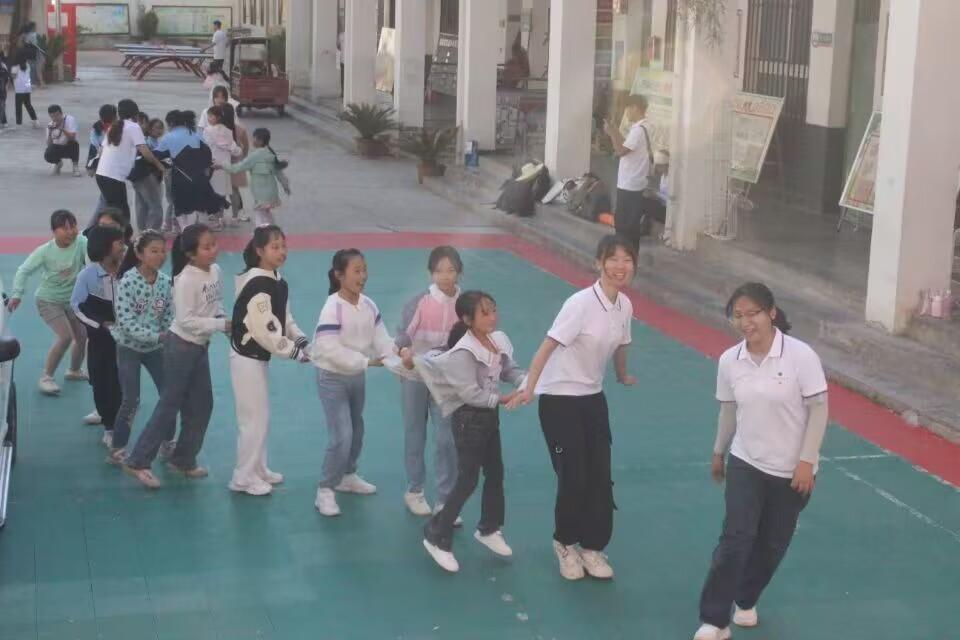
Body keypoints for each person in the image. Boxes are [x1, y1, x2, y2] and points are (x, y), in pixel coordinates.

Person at [693, 284, 828, 640]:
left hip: (792, 472)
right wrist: (718, 452)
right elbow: (728, 410)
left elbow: (819, 410)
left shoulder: (800, 356)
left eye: (753, 313)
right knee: (735, 539)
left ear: (771, 313)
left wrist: (806, 461)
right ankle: (714, 619)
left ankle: (747, 597)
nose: (745, 322)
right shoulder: (730, 360)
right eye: (737, 315)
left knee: (771, 546)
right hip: (746, 462)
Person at [509, 234, 638, 581]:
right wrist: (530, 389)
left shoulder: (624, 305)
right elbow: (547, 347)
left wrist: (622, 374)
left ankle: (592, 547)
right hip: (559, 400)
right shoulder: (579, 304)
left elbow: (622, 343)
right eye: (613, 258)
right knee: (574, 475)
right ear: (599, 263)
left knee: (600, 476)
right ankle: (565, 543)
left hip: (593, 399)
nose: (620, 266)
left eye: (627, 259)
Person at [409, 291, 527, 574]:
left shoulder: (497, 340)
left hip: (489, 417)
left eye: (493, 310)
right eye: (485, 313)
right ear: (467, 319)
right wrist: (502, 399)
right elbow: (470, 393)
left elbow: (507, 369)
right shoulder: (463, 352)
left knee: (495, 472)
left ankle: (489, 528)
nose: (492, 317)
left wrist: (526, 382)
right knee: (468, 480)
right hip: (469, 421)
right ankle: (436, 535)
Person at [124, 224, 230, 489]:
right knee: (169, 405)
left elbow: (215, 304)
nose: (213, 250)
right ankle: (138, 460)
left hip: (200, 347)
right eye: (206, 247)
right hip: (180, 347)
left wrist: (222, 319)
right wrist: (221, 325)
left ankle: (183, 459)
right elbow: (185, 321)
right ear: (191, 254)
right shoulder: (185, 280)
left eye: (214, 244)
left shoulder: (216, 271)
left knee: (202, 405)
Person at [310, 249, 394, 517]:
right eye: (356, 271)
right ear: (339, 275)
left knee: (356, 429)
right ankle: (325, 489)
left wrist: (396, 354)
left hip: (357, 376)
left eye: (364, 270)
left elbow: (382, 339)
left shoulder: (369, 305)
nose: (363, 276)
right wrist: (365, 361)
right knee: (342, 434)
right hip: (332, 376)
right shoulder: (332, 307)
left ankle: (347, 476)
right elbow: (328, 348)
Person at [229, 225, 311, 496]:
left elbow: (285, 319)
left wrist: (302, 341)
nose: (282, 251)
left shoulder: (277, 279)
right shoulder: (257, 285)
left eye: (283, 246)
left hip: (258, 358)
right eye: (275, 247)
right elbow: (267, 332)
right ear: (260, 251)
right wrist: (295, 352)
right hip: (246, 358)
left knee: (260, 417)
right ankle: (242, 477)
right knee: (252, 420)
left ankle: (258, 468)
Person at [392, 246, 462, 518]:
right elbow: (402, 336)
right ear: (431, 273)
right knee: (415, 434)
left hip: (445, 381)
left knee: (447, 439)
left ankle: (446, 500)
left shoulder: (465, 304)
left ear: (459, 272)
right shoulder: (419, 302)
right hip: (415, 377)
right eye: (439, 271)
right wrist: (404, 351)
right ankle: (414, 491)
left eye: (451, 270)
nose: (445, 276)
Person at [107, 230, 175, 466]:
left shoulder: (165, 282)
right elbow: (125, 323)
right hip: (129, 348)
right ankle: (117, 448)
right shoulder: (127, 282)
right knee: (131, 399)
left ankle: (168, 442)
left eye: (163, 251)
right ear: (139, 253)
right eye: (154, 251)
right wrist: (157, 336)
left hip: (156, 348)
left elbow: (169, 315)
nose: (160, 256)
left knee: (169, 394)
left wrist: (165, 336)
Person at [8, 210, 89, 396]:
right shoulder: (45, 251)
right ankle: (46, 378)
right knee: (65, 336)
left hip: (72, 300)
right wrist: (17, 294)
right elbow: (23, 270)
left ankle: (74, 371)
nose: (71, 232)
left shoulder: (81, 242)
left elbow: (94, 257)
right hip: (48, 301)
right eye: (65, 228)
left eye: (73, 226)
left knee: (82, 335)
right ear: (54, 231)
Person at [71, 225, 125, 449]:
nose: (123, 246)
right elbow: (77, 306)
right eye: (119, 243)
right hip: (101, 342)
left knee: (121, 385)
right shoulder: (88, 275)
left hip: (126, 342)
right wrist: (100, 325)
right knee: (102, 384)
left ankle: (120, 425)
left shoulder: (128, 271)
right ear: (105, 247)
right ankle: (109, 427)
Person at [153, 110, 227, 229]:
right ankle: (197, 229)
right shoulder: (195, 135)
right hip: (199, 178)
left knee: (180, 207)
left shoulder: (169, 137)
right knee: (197, 205)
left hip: (180, 178)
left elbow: (156, 155)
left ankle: (184, 229)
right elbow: (207, 154)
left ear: (171, 123)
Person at [96, 99, 165, 224]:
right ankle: (111, 233)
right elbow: (145, 151)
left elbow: (101, 150)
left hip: (102, 174)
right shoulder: (133, 127)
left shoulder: (114, 126)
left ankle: (104, 231)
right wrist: (159, 165)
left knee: (112, 210)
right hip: (114, 177)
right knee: (121, 214)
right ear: (136, 113)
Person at [604, 94, 653, 254]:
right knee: (631, 226)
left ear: (635, 108)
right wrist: (615, 132)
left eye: (627, 109)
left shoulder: (638, 130)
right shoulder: (645, 127)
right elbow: (628, 145)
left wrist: (612, 134)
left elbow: (620, 151)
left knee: (623, 226)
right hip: (636, 183)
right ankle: (630, 257)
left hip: (629, 185)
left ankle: (624, 257)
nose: (626, 113)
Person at [218, 127, 290, 227]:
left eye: (254, 138)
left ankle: (261, 232)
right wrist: (286, 186)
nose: (252, 140)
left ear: (260, 141)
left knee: (259, 215)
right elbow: (280, 174)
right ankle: (272, 230)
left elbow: (237, 168)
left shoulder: (255, 156)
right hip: (271, 193)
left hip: (262, 194)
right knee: (265, 213)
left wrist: (222, 165)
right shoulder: (270, 153)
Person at [201, 105, 240, 230]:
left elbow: (204, 148)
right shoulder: (228, 131)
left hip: (212, 165)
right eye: (208, 116)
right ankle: (220, 218)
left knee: (212, 192)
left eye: (210, 116)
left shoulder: (207, 131)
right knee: (222, 193)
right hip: (224, 166)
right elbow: (235, 150)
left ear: (217, 117)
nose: (208, 118)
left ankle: (215, 219)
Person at [128, 116, 165, 231]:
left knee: (142, 204)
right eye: (155, 127)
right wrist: (159, 164)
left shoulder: (153, 141)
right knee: (155, 206)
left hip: (137, 175)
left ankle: (143, 230)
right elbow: (148, 156)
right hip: (146, 176)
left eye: (161, 128)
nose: (158, 130)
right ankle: (151, 232)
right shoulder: (145, 141)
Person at [220, 103, 250, 223]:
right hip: (236, 162)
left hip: (221, 163)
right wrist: (243, 158)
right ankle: (235, 216)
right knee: (234, 190)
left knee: (220, 191)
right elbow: (246, 146)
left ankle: (220, 216)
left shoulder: (217, 129)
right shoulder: (240, 129)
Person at [44, 104, 81, 177]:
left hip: (68, 147)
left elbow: (72, 137)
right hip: (57, 148)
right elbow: (49, 145)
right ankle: (58, 163)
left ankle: (75, 166)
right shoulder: (50, 125)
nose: (55, 118)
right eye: (52, 116)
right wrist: (50, 133)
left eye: (57, 115)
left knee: (74, 143)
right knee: (47, 154)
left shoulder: (69, 119)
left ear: (61, 113)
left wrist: (62, 129)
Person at [11, 53, 38, 128]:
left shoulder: (15, 66)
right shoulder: (27, 65)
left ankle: (19, 123)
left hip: (19, 88)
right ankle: (35, 120)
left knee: (18, 106)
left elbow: (13, 76)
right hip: (27, 87)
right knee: (28, 104)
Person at [20, 22, 45, 88]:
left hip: (30, 54)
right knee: (37, 69)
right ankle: (38, 83)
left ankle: (36, 83)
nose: (36, 28)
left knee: (33, 69)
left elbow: (23, 43)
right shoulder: (34, 34)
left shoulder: (25, 35)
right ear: (33, 27)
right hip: (36, 53)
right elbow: (39, 44)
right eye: (35, 27)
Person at [0, 51, 10, 128]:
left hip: (2, 90)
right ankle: (3, 121)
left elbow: (7, 79)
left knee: (2, 106)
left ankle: (3, 121)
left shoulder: (3, 66)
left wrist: (6, 87)